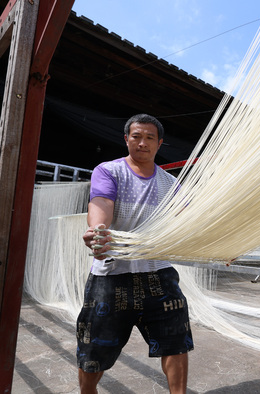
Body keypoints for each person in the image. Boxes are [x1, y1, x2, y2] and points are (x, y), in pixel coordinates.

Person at [78, 114, 193, 394]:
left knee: (176, 341)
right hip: (112, 276)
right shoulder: (109, 171)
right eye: (136, 136)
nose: (142, 143)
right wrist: (97, 231)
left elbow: (189, 219)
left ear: (160, 143)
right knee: (95, 349)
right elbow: (101, 204)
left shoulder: (170, 184)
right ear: (126, 139)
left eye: (149, 137)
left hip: (159, 274)